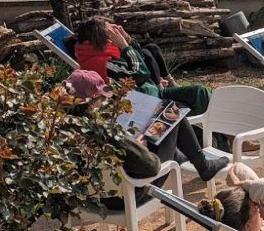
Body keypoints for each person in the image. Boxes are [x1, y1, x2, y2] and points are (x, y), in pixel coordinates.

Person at [66, 69, 229, 187]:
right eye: (102, 99)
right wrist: (139, 144)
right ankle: (202, 165)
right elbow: (151, 167)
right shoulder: (104, 131)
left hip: (94, 197)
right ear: (93, 99)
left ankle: (181, 156)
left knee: (164, 114)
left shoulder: (61, 128)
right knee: (171, 111)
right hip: (135, 189)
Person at [70, 16, 211, 117]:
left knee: (200, 92)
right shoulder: (101, 62)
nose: (114, 33)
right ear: (100, 37)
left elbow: (141, 59)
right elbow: (139, 73)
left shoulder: (106, 52)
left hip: (153, 91)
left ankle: (215, 134)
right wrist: (125, 47)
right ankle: (206, 135)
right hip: (145, 101)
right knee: (196, 102)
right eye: (110, 31)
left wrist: (129, 41)